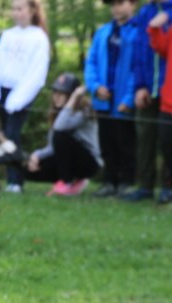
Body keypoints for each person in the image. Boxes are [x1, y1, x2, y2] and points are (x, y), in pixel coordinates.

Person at [0, 0, 50, 192]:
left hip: (22, 93)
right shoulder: (9, 35)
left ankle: (16, 180)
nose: (16, 13)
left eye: (20, 9)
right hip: (4, 90)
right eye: (13, 9)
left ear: (32, 10)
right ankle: (11, 178)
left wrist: (19, 97)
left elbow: (36, 72)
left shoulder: (39, 37)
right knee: (5, 134)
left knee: (13, 133)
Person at [85, 0, 139, 197]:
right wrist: (95, 86)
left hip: (124, 99)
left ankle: (126, 181)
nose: (116, 8)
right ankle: (109, 181)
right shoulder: (103, 32)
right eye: (113, 4)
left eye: (121, 3)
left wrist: (129, 98)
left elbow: (138, 68)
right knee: (106, 141)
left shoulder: (137, 32)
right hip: (103, 98)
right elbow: (91, 62)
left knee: (125, 142)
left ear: (133, 4)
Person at [123, 0, 171, 201]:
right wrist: (139, 86)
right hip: (148, 87)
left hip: (168, 89)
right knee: (145, 137)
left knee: (168, 140)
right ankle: (145, 186)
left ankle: (167, 187)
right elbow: (139, 52)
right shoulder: (145, 13)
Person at [24, 72, 101, 195]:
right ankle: (71, 180)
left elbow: (60, 128)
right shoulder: (59, 113)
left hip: (88, 163)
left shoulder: (84, 111)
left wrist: (74, 99)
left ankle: (67, 182)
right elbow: (52, 147)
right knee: (28, 168)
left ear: (71, 95)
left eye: (62, 93)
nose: (57, 97)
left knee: (61, 134)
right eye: (55, 92)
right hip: (69, 161)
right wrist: (36, 156)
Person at [146, 7, 172, 203]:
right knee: (166, 145)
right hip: (168, 103)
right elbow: (162, 48)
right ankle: (168, 187)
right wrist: (154, 28)